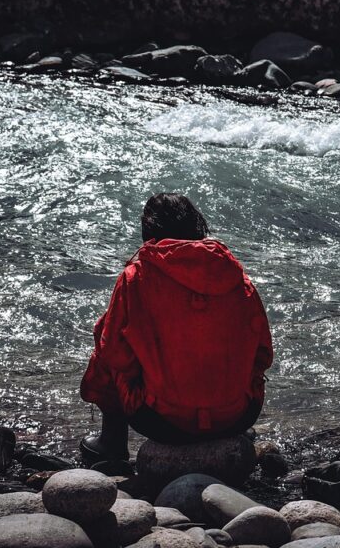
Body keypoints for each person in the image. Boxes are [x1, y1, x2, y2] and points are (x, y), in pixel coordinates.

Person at [79, 193, 273, 462]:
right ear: (196, 229)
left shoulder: (136, 278)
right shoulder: (235, 276)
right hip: (238, 416)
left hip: (161, 422)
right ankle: (225, 422)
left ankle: (113, 441)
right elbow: (263, 355)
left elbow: (113, 353)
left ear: (149, 231)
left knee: (106, 331)